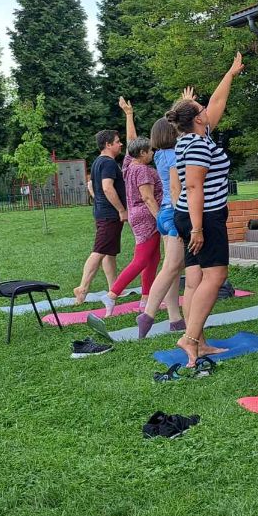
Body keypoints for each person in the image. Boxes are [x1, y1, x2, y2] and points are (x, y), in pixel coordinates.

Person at [166, 52, 245, 369]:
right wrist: (198, 229)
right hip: (202, 217)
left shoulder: (191, 136)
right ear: (197, 120)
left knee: (196, 279)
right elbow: (195, 187)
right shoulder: (198, 144)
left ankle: (199, 342)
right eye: (201, 111)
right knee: (216, 276)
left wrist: (230, 73)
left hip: (191, 215)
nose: (207, 111)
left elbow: (216, 103)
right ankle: (190, 338)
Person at [98, 97, 163, 316]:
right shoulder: (143, 170)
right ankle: (112, 295)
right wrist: (161, 219)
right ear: (143, 153)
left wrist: (129, 115)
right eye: (150, 151)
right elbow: (148, 197)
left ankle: (146, 299)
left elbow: (132, 139)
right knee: (142, 259)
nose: (152, 153)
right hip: (147, 216)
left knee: (153, 258)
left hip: (138, 215)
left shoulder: (128, 164)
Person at [134, 114, 187, 337]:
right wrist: (182, 218)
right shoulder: (174, 155)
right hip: (174, 212)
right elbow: (175, 188)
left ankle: (175, 319)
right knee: (170, 268)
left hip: (164, 215)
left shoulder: (160, 155)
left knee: (173, 268)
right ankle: (148, 314)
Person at [74, 128, 127, 304]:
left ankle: (115, 288)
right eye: (118, 141)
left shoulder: (98, 162)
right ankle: (82, 289)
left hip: (103, 212)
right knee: (98, 252)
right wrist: (121, 209)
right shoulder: (109, 163)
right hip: (109, 215)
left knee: (109, 252)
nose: (121, 144)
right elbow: (107, 187)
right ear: (108, 144)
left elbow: (92, 186)